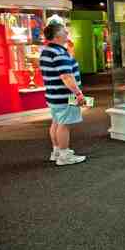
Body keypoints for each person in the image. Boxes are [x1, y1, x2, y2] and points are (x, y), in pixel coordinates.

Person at [39, 22, 87, 166]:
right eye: (64, 31)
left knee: (56, 122)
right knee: (64, 125)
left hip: (53, 95)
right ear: (57, 35)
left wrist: (70, 52)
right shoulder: (60, 53)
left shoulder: (47, 51)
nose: (67, 33)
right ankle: (64, 156)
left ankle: (57, 151)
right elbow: (66, 76)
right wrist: (78, 94)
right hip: (65, 96)